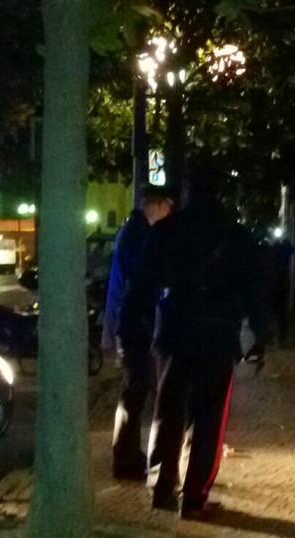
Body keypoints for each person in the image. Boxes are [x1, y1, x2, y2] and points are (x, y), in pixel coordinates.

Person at [126, 169, 268, 517]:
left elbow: (142, 284)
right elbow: (255, 291)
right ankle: (194, 496)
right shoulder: (237, 236)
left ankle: (162, 488)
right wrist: (260, 336)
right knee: (209, 419)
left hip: (174, 329)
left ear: (186, 193)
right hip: (218, 332)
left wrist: (132, 325)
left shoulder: (165, 230)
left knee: (167, 410)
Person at [103, 186, 175, 480]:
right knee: (134, 392)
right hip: (134, 324)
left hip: (132, 322)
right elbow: (143, 275)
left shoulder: (135, 230)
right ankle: (126, 459)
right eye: (167, 206)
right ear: (156, 205)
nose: (169, 212)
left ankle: (129, 454)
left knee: (135, 392)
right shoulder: (138, 233)